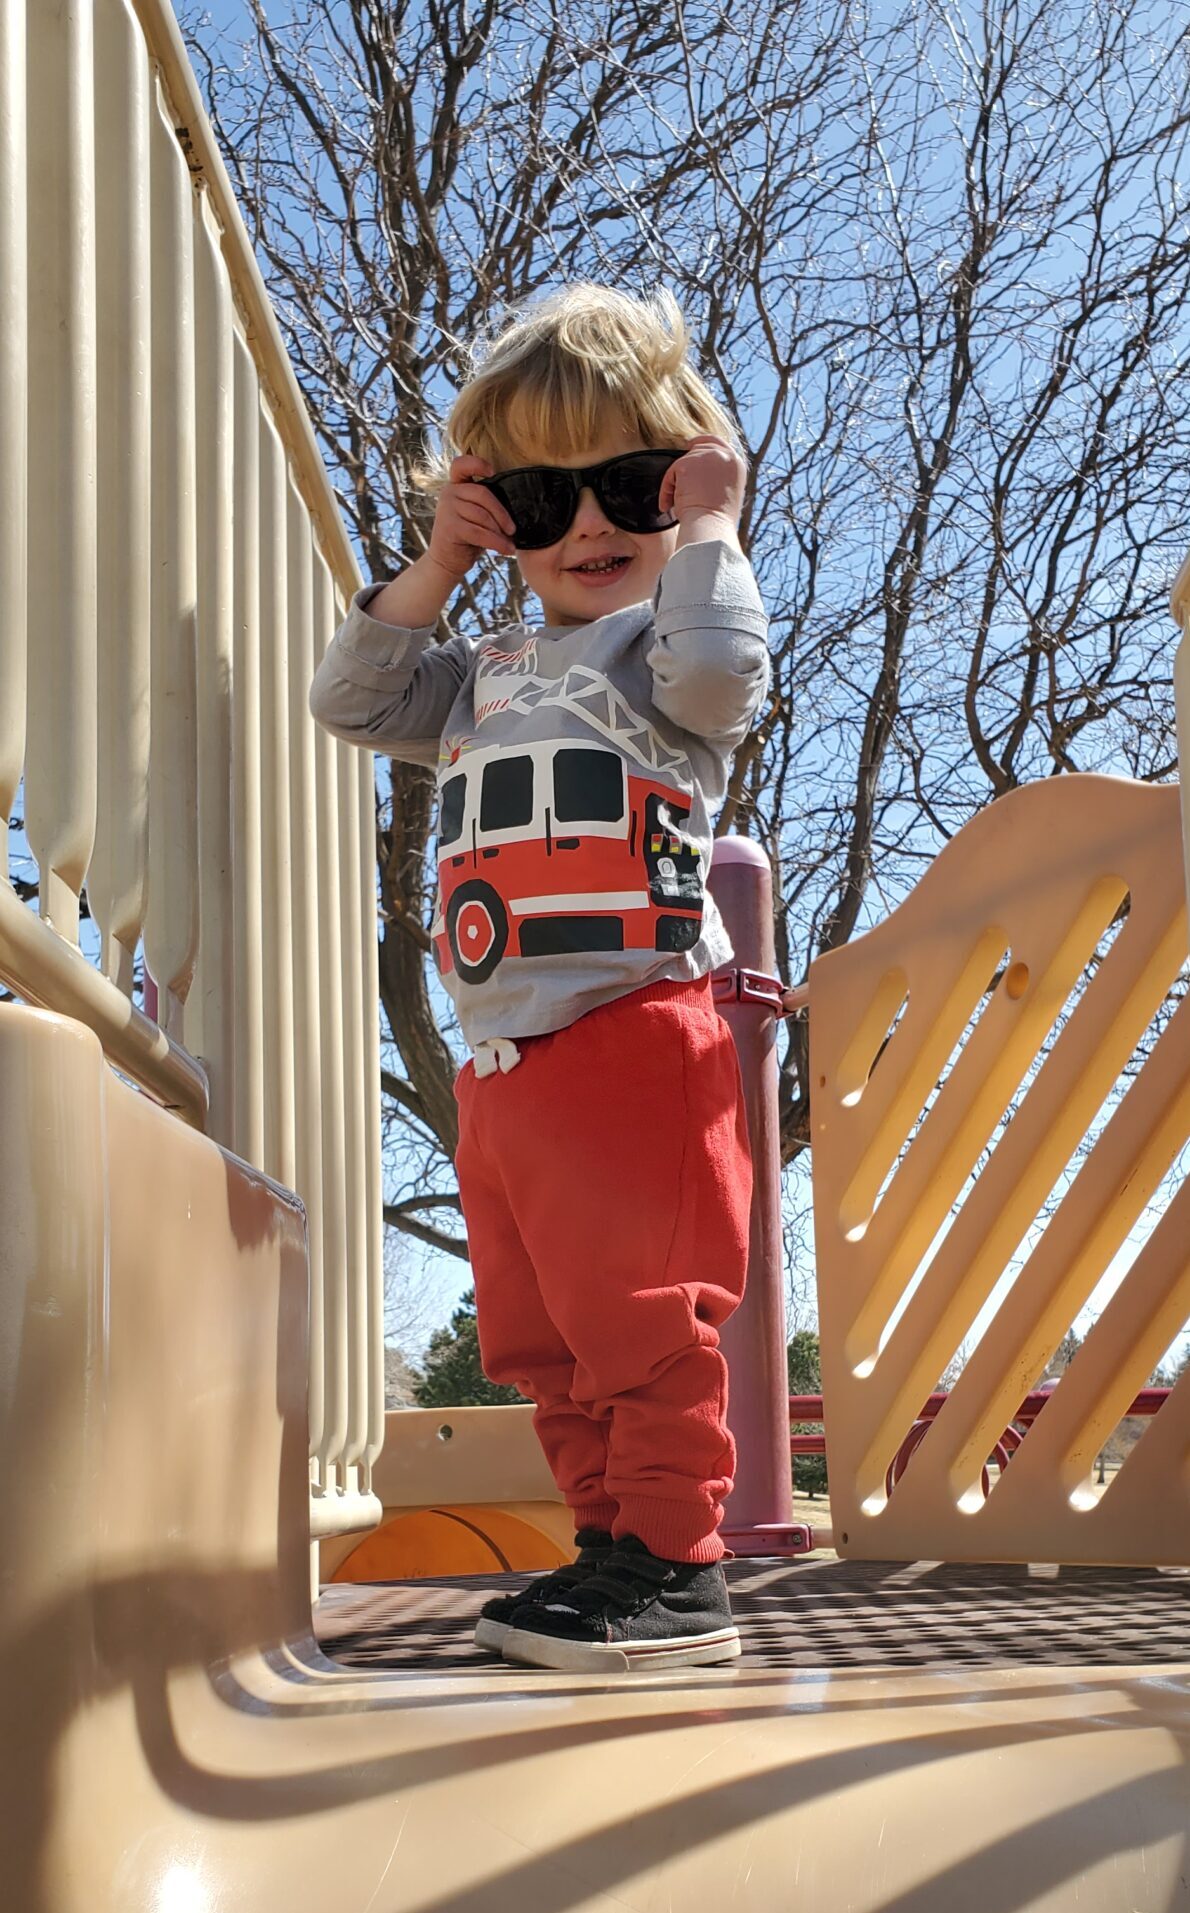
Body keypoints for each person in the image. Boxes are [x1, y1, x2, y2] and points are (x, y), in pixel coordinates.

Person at [310, 284, 770, 1672]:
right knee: (539, 1338)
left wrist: (705, 525)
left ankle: (677, 1568)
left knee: (636, 1316)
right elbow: (349, 698)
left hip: (632, 1027)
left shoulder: (661, 652)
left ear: (676, 489)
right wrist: (442, 565)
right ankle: (605, 1554)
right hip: (504, 1059)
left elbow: (721, 669)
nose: (584, 526)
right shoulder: (481, 671)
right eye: (536, 496)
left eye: (625, 486)